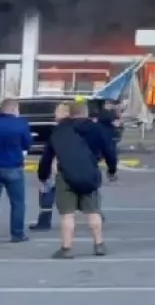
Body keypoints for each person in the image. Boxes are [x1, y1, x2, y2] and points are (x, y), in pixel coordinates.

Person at [36, 101, 116, 259]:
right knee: (93, 211)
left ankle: (66, 248)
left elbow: (47, 156)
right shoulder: (97, 129)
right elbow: (109, 151)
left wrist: (43, 175)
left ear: (69, 113)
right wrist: (112, 169)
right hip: (89, 174)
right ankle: (99, 244)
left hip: (65, 175)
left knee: (67, 214)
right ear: (86, 113)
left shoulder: (59, 131)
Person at [0, 98, 33, 243]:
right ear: (14, 109)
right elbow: (27, 145)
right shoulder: (21, 124)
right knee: (18, 202)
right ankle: (17, 234)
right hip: (14, 166)